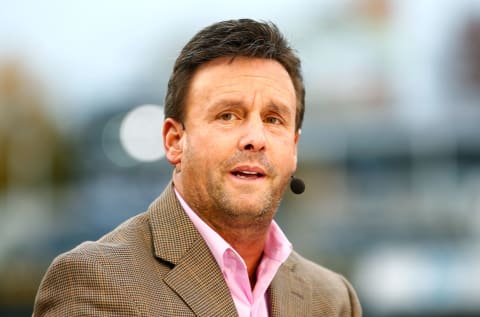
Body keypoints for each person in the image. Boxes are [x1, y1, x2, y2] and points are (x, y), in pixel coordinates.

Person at [33, 19, 362, 316]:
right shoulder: (95, 282)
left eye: (273, 119)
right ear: (175, 140)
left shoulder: (332, 300)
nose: (255, 138)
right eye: (228, 115)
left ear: (294, 149)